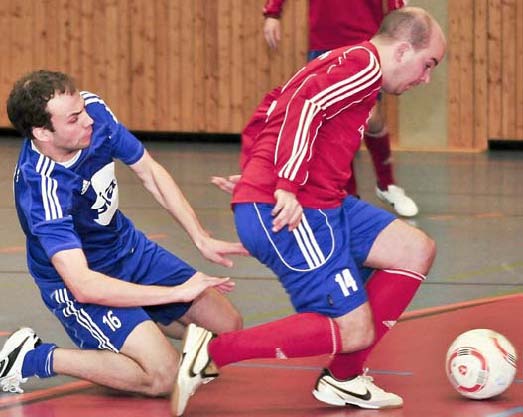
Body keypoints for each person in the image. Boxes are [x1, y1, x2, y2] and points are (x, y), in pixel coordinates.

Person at [172, 7, 445, 415]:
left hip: (314, 198)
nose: (425, 79)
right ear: (403, 50)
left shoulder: (344, 59)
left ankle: (344, 380)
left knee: (414, 249)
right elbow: (306, 105)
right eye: (427, 65)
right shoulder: (364, 66)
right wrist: (282, 183)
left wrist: (257, 173)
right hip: (297, 207)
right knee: (354, 330)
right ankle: (212, 351)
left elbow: (273, 107)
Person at [0, 70, 248, 396]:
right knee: (163, 378)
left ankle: (139, 320)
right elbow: (85, 286)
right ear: (42, 133)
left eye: (83, 110)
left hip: (126, 248)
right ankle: (34, 357)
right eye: (74, 119)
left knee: (228, 327)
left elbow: (150, 172)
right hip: (80, 281)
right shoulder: (42, 190)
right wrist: (177, 293)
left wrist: (200, 236)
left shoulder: (94, 113)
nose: (88, 120)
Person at [263, 0, 419, 217]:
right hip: (324, 39)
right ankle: (349, 196)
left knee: (370, 118)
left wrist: (402, 23)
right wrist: (273, 12)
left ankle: (387, 184)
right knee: (336, 124)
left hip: (367, 37)